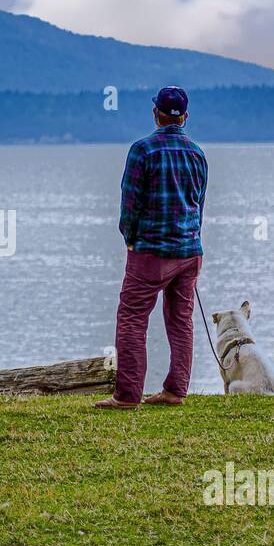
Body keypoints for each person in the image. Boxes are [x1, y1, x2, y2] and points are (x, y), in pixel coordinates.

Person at [94, 86, 208, 410]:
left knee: (131, 318)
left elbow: (128, 204)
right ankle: (176, 390)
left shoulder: (142, 150)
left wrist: (129, 238)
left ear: (155, 113)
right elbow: (198, 206)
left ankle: (127, 395)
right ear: (185, 117)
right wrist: (191, 241)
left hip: (150, 252)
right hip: (188, 251)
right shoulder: (198, 154)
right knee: (181, 320)